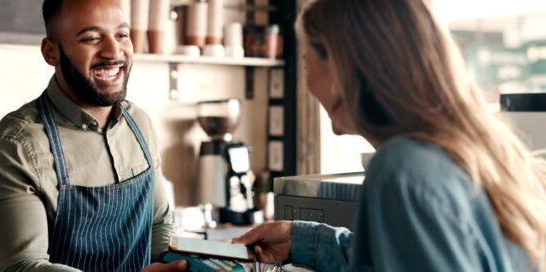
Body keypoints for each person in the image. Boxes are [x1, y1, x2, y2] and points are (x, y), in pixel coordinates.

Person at [233, 0, 546, 271]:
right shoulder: (477, 152)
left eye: (306, 62)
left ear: (342, 66)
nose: (308, 81)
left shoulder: (401, 170)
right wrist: (298, 238)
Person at [0, 0, 186, 271]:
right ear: (51, 52)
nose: (113, 52)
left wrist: (182, 265)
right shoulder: (15, 146)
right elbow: (22, 266)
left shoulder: (140, 123)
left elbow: (159, 223)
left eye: (122, 35)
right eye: (92, 38)